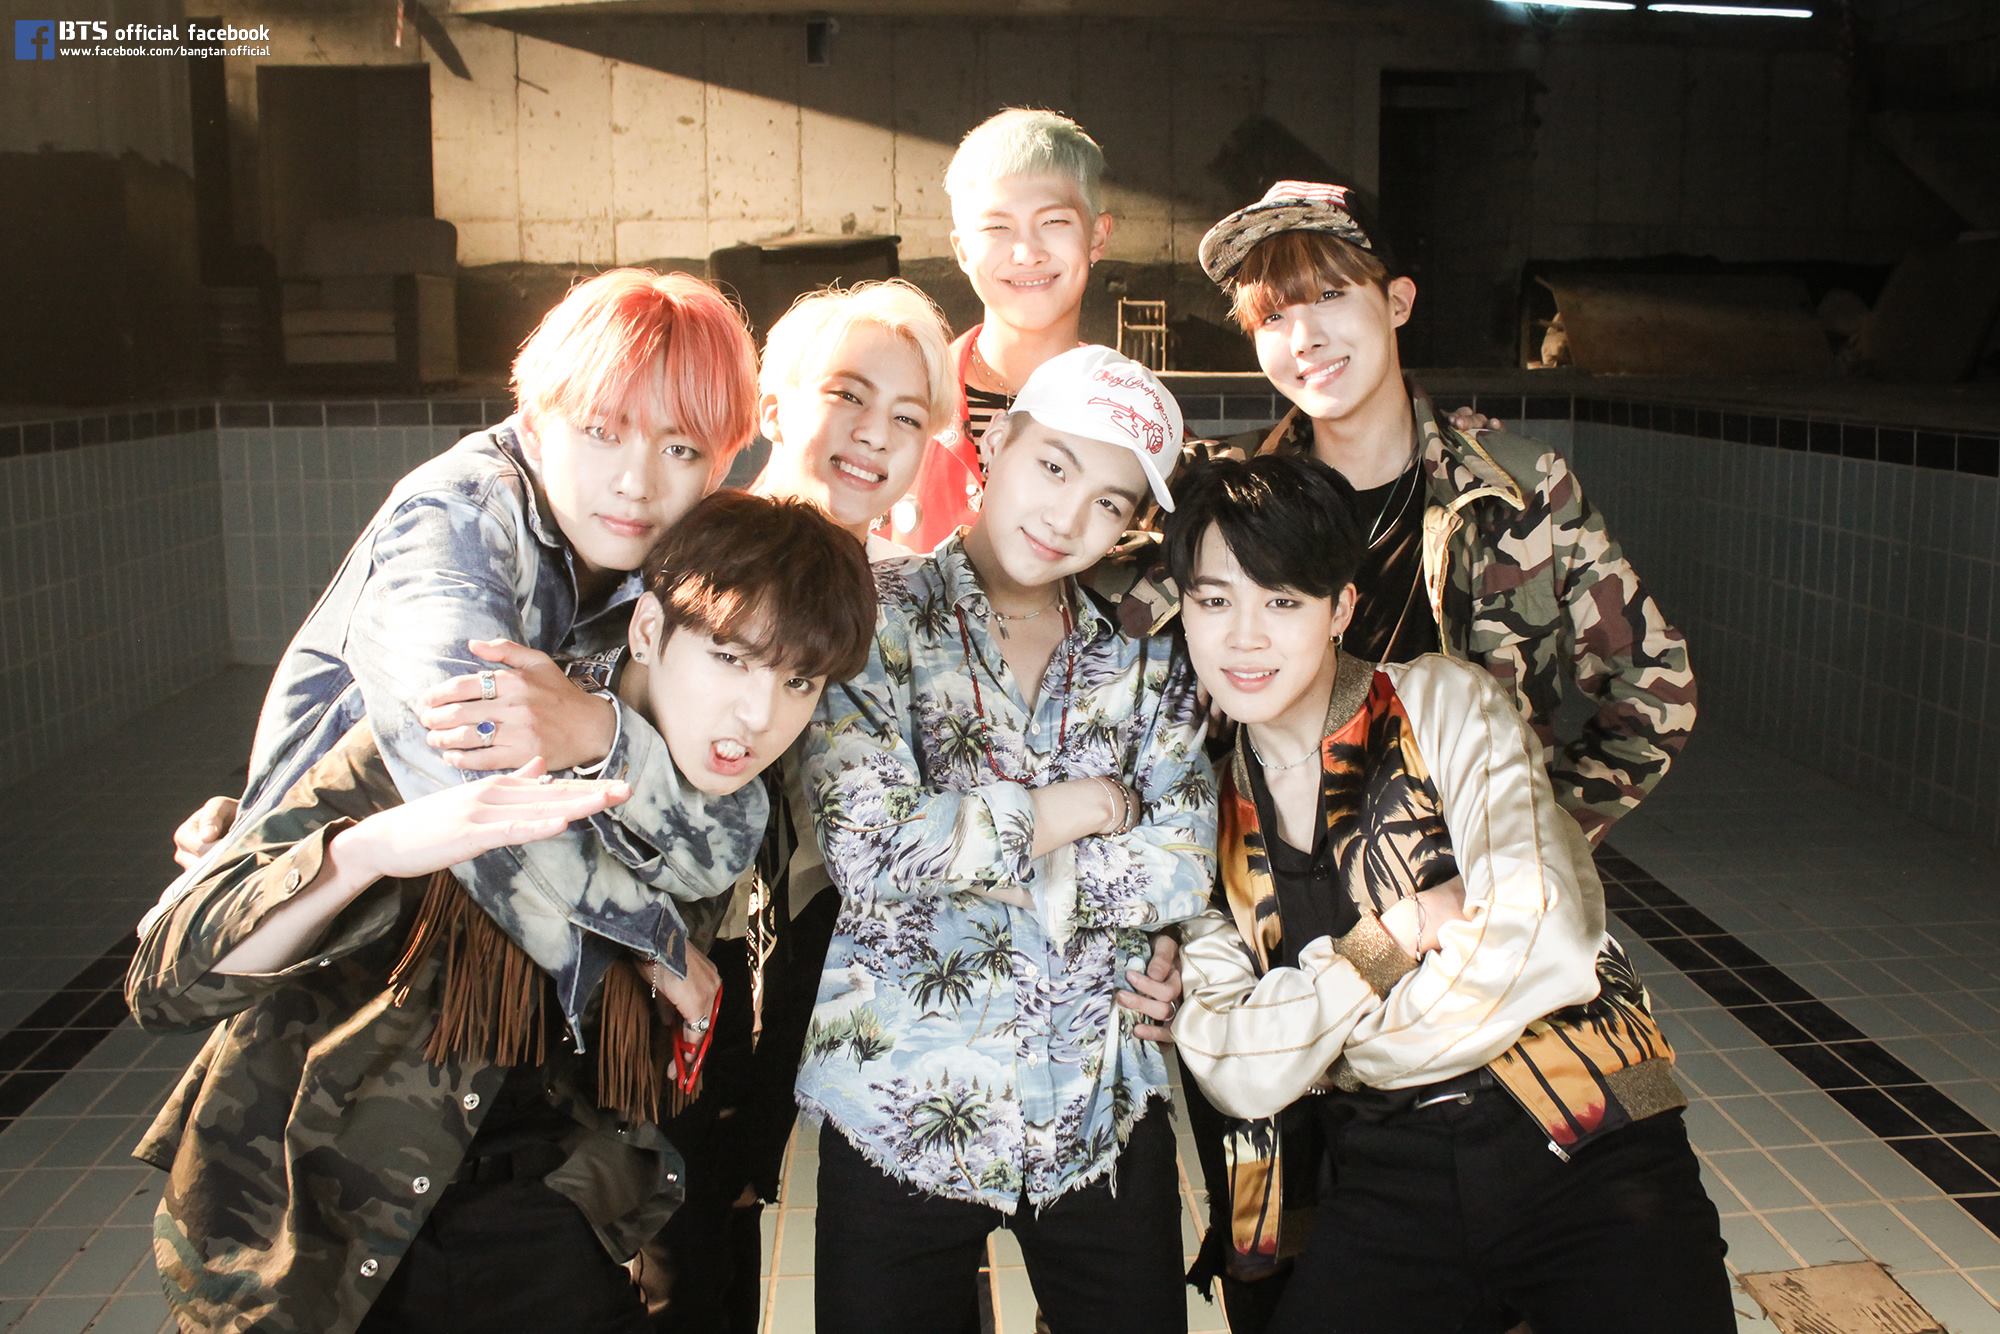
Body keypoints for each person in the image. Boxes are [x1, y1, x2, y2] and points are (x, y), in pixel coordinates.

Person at [127, 492, 880, 1333]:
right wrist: (364, 853)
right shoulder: (462, 726)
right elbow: (168, 984)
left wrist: (641, 940)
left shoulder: (722, 815)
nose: (759, 715)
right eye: (730, 659)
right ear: (647, 630)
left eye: (798, 681)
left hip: (537, 1219)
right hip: (313, 1226)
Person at [1164, 453, 1731, 1334]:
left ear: (1339, 609)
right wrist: (1396, 937)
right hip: (1390, 1177)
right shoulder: (1201, 820)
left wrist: (1331, 1050)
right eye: (1214, 601)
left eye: (1282, 602)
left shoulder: (1442, 702)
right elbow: (1236, 1067)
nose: (1244, 638)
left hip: (1583, 1134)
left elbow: (1539, 937)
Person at [150, 266, 766, 1043]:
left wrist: (599, 735)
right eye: (601, 432)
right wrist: (649, 938)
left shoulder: (681, 552)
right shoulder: (456, 519)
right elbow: (474, 784)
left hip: (474, 957)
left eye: (679, 448)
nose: (636, 483)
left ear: (720, 463)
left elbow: (727, 825)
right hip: (323, 924)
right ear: (536, 425)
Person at [801, 345, 1217, 1334]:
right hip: (898, 1106)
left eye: (1109, 502)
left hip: (1098, 1111)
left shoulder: (1147, 651)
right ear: (998, 442)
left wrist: (971, 849)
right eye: (1053, 467)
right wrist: (1089, 805)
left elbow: (1181, 863)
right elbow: (867, 845)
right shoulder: (871, 613)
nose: (1067, 517)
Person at [888, 108, 1112, 552]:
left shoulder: (1132, 417)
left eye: (1054, 222)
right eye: (997, 227)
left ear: (1097, 237)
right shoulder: (901, 400)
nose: (1027, 252)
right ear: (962, 251)